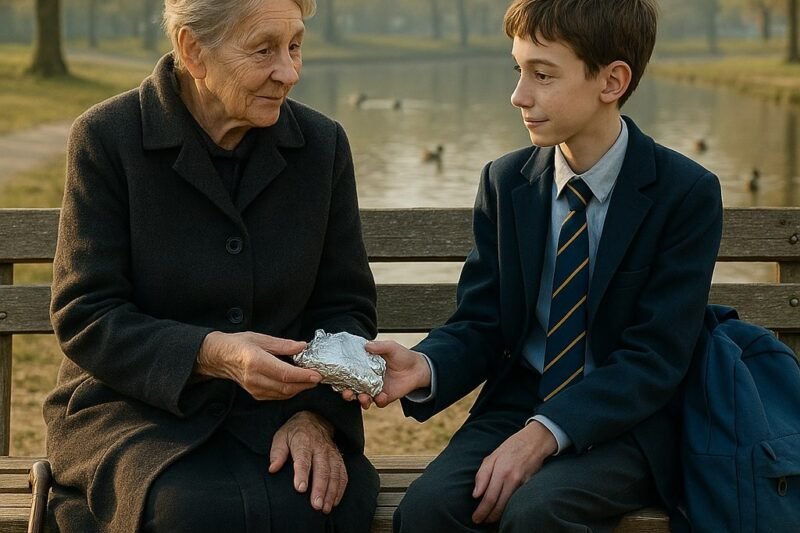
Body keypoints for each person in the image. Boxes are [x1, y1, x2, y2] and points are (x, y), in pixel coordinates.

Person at [347, 0, 723, 531]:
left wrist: (545, 432)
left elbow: (655, 357)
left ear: (612, 81)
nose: (519, 96)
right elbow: (482, 322)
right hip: (519, 400)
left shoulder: (685, 194)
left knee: (535, 514)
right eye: (518, 70)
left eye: (542, 75)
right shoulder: (507, 183)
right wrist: (425, 365)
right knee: (428, 511)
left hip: (628, 423)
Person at [43, 1, 379, 532]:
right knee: (190, 512)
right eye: (263, 49)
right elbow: (86, 314)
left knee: (311, 505)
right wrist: (211, 353)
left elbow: (344, 306)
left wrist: (315, 417)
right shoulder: (108, 138)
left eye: (295, 47)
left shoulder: (322, 146)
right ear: (193, 51)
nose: (288, 72)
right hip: (135, 410)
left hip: (278, 413)